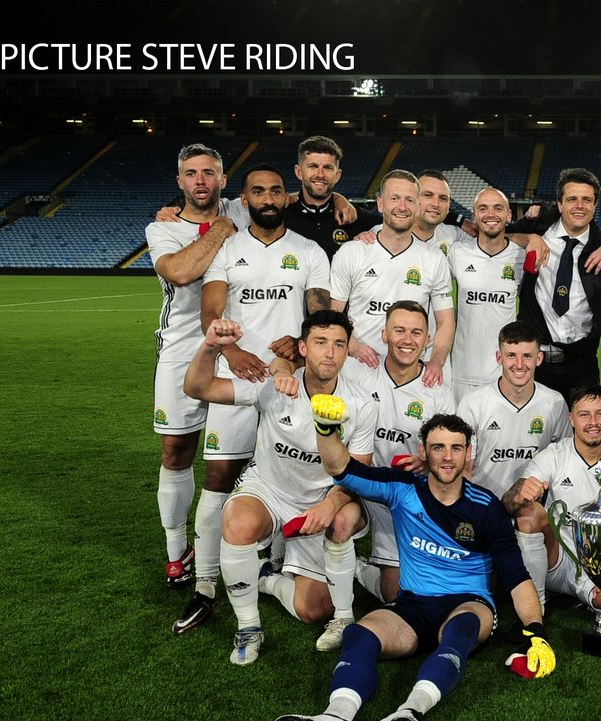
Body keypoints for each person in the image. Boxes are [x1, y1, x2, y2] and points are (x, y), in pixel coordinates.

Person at [272, 410, 554, 721]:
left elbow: (516, 577)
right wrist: (327, 430)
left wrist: (535, 632)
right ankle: (336, 718)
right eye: (438, 447)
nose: (447, 457)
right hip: (412, 606)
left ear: (469, 453)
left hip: (468, 604)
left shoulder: (486, 508)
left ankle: (409, 713)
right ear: (424, 451)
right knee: (359, 634)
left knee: (460, 631)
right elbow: (342, 469)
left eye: (455, 448)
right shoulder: (402, 489)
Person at [181, 164, 330, 634]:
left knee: (291, 473)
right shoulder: (228, 247)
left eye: (275, 190)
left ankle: (278, 569)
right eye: (257, 191)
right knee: (220, 478)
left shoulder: (308, 251)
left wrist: (299, 341)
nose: (268, 197)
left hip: (290, 384)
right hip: (239, 376)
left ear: (287, 197)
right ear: (242, 200)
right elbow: (212, 310)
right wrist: (233, 349)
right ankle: (205, 585)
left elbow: (321, 312)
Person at [183, 313, 374, 665]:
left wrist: (330, 504)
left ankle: (267, 577)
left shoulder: (362, 403)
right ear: (302, 348)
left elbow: (357, 472)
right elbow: (198, 388)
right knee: (238, 523)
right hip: (269, 490)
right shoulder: (275, 386)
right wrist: (211, 347)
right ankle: (249, 627)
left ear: (348, 351)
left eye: (339, 344)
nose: (329, 353)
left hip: (319, 500)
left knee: (313, 608)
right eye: (320, 343)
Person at [145, 143, 238, 597]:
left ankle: (217, 548)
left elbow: (296, 199)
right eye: (191, 173)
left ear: (222, 179)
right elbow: (181, 272)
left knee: (226, 463)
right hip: (182, 351)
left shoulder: (243, 207)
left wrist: (340, 202)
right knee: (176, 452)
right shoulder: (162, 228)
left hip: (238, 348)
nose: (200, 180)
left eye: (209, 172)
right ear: (179, 181)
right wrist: (219, 230)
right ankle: (176, 550)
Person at [502, 385, 601, 633]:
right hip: (557, 557)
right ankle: (535, 611)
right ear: (571, 419)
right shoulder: (554, 455)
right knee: (529, 513)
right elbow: (508, 502)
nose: (593, 422)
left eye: (600, 414)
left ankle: (585, 595)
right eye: (584, 414)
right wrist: (521, 496)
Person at [340, 300, 456, 605]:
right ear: (384, 334)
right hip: (357, 486)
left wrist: (427, 462)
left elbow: (449, 452)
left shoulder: (437, 388)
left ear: (428, 339)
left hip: (401, 494)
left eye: (416, 332)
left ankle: (358, 569)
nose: (408, 340)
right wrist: (281, 366)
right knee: (338, 518)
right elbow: (309, 365)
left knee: (396, 596)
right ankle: (308, 560)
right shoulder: (356, 371)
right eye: (400, 331)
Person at [458, 321, 571, 606]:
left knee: (529, 512)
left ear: (539, 358)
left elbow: (565, 461)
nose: (519, 364)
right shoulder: (474, 403)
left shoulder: (554, 403)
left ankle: (538, 604)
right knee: (482, 592)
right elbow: (463, 471)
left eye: (527, 356)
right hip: (485, 513)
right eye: (511, 356)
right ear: (499, 358)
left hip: (529, 513)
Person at [329, 169, 454, 384]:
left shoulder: (434, 259)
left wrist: (436, 362)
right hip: (358, 371)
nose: (402, 207)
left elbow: (445, 321)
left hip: (412, 374)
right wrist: (353, 345)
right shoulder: (351, 252)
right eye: (395, 198)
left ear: (417, 206)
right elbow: (332, 315)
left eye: (409, 200)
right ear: (380, 204)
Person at [513, 168, 601, 403]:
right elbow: (493, 236)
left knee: (585, 435)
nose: (579, 205)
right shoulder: (537, 231)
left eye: (587, 199)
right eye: (572, 199)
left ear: (595, 206)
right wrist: (529, 238)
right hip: (533, 364)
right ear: (559, 204)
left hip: (581, 366)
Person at [446, 188, 527, 402]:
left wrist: (532, 238)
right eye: (483, 208)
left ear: (509, 216)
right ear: (474, 216)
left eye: (498, 208)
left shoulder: (521, 256)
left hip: (504, 373)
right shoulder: (457, 252)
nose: (490, 214)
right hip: (461, 373)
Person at [282, 135, 381, 260]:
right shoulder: (281, 215)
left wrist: (373, 234)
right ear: (299, 172)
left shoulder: (353, 216)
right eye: (313, 166)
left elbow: (394, 228)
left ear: (337, 175)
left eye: (328, 168)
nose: (320, 175)